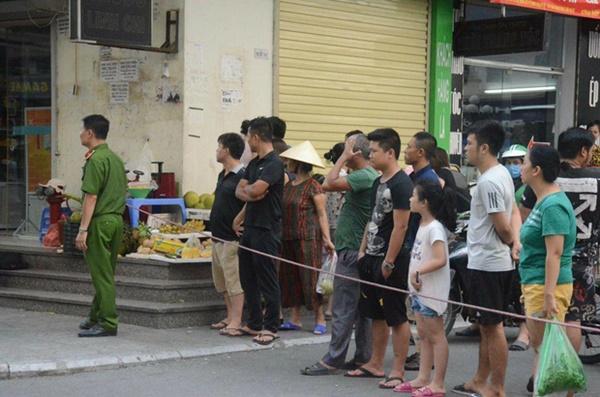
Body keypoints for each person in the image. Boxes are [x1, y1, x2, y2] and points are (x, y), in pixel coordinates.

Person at [520, 127, 600, 392]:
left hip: (553, 266)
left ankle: (554, 377)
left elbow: (529, 220)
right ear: (583, 151)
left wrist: (548, 292)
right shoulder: (597, 179)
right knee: (571, 320)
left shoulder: (549, 191)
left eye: (525, 163)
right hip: (581, 259)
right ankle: (563, 376)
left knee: (545, 336)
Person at [453, 121, 521, 397]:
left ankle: (497, 386)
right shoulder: (500, 173)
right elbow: (514, 210)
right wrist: (514, 241)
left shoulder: (491, 181)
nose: (466, 148)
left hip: (489, 263)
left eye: (469, 144)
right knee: (486, 324)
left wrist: (511, 240)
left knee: (493, 328)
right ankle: (480, 379)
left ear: (484, 147)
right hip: (489, 260)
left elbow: (502, 224)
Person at [300, 133, 377, 376]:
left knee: (344, 308)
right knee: (360, 310)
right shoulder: (364, 176)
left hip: (352, 249)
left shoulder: (365, 175)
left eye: (347, 147)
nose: (343, 151)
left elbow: (327, 182)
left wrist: (343, 156)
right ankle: (362, 357)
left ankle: (333, 359)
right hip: (356, 249)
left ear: (356, 151)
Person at [345, 129, 413, 390]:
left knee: (396, 315)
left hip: (391, 260)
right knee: (375, 313)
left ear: (390, 153)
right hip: (370, 257)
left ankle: (397, 370)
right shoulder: (377, 182)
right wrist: (363, 251)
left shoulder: (401, 184)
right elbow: (372, 220)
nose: (369, 155)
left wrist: (389, 260)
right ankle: (375, 363)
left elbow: (401, 226)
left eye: (373, 151)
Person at [519, 145, 576, 396]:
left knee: (545, 349)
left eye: (524, 162)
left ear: (536, 170)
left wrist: (549, 295)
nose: (520, 167)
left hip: (546, 285)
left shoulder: (553, 205)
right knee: (542, 348)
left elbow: (555, 252)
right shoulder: (544, 200)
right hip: (536, 282)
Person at [394, 180, 456, 396]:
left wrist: (417, 272)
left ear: (424, 202)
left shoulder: (435, 228)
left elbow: (440, 259)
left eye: (413, 196)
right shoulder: (421, 224)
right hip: (419, 291)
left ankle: (438, 383)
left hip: (431, 291)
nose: (410, 199)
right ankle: (423, 377)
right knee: (423, 334)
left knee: (436, 335)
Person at [234, 117, 285, 346]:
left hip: (267, 228)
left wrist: (252, 191)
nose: (248, 142)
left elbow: (258, 189)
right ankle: (254, 322)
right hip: (250, 227)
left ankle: (271, 325)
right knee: (247, 276)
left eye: (249, 137)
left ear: (256, 137)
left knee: (267, 277)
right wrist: (250, 193)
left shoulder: (274, 164)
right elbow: (241, 190)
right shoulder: (254, 164)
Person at [76, 114, 127, 337]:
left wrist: (83, 229)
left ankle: (108, 322)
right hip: (116, 220)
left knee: (101, 274)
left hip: (100, 222)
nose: (80, 134)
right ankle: (96, 315)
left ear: (90, 133)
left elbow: (91, 197)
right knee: (106, 272)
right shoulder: (115, 158)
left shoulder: (96, 160)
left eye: (82, 130)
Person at [278, 141, 335, 335]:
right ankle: (295, 319)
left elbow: (321, 214)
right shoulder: (289, 185)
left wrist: (327, 239)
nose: (286, 163)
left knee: (310, 279)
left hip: (308, 238)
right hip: (287, 237)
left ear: (298, 163)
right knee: (290, 278)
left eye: (290, 160)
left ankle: (320, 318)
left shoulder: (314, 186)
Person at [403, 131, 440, 372]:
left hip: (424, 251)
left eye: (408, 147)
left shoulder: (428, 180)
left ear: (421, 152)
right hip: (415, 246)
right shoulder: (415, 176)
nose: (404, 151)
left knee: (423, 312)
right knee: (414, 308)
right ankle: (421, 353)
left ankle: (426, 357)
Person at [208, 133, 246, 336]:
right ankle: (229, 315)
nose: (216, 150)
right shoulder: (222, 174)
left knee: (234, 281)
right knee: (222, 281)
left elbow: (250, 202)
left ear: (228, 150)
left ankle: (237, 320)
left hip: (232, 238)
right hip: (217, 235)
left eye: (219, 146)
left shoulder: (243, 175)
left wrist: (239, 221)